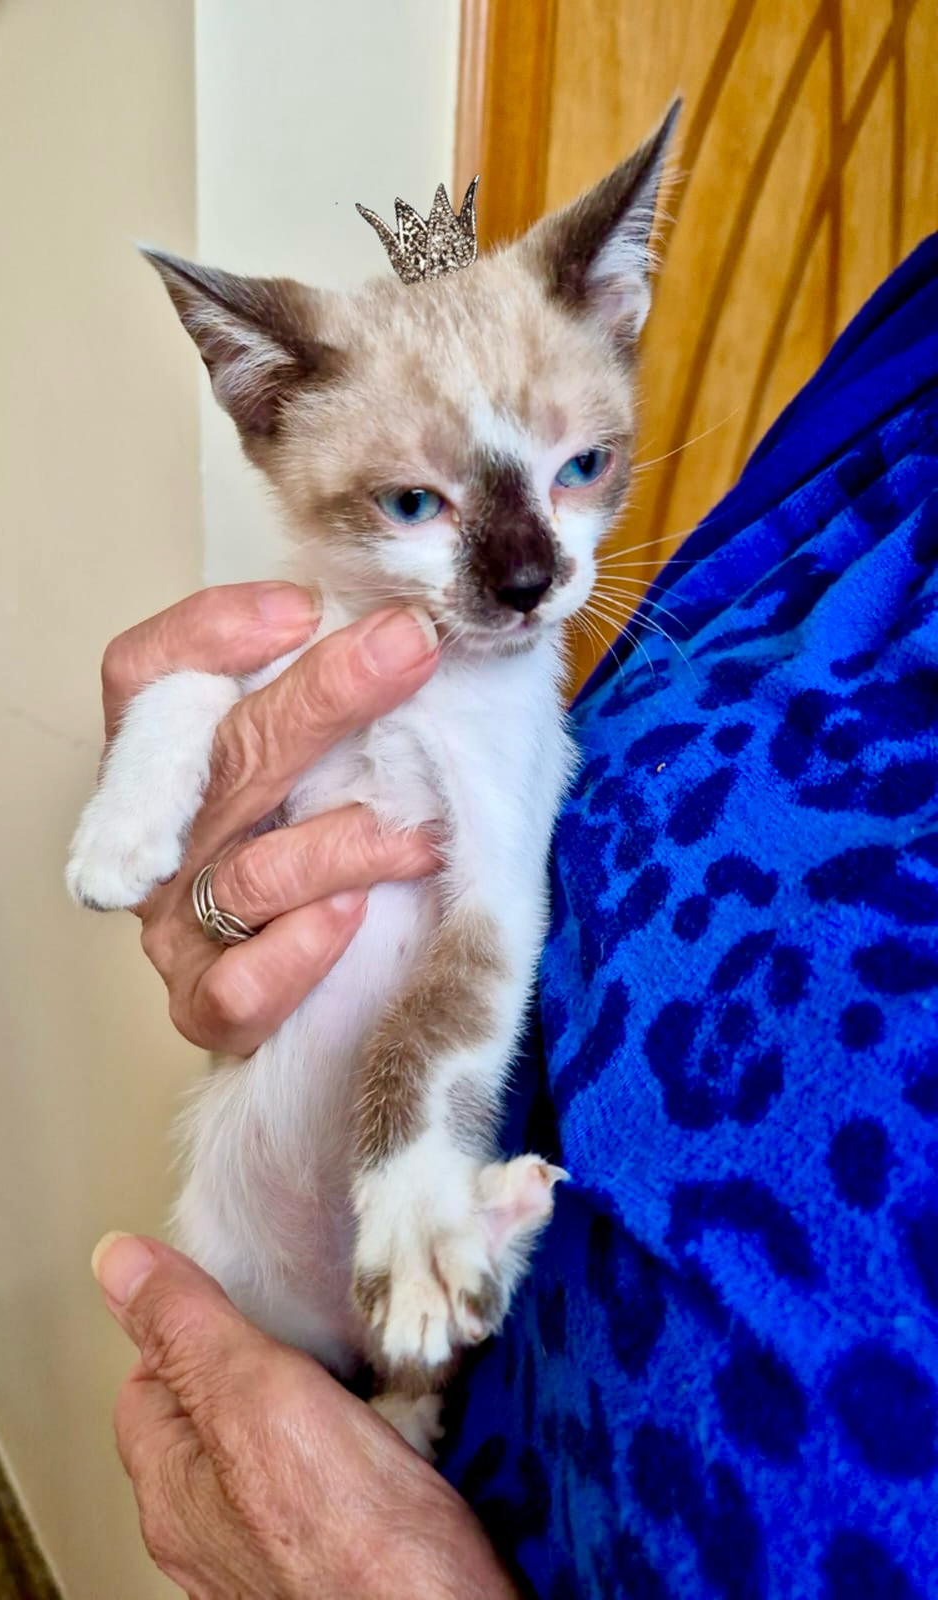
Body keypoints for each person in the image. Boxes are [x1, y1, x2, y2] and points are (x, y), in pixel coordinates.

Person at [92, 235, 938, 1598]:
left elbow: (501, 909)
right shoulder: (899, 361)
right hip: (319, 1336)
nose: (536, 576)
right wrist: (187, 846)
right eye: (416, 501)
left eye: (578, 473)